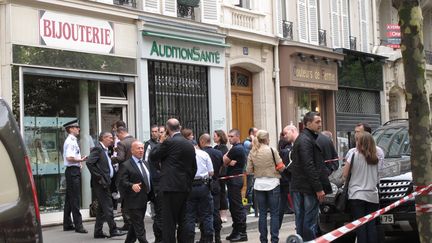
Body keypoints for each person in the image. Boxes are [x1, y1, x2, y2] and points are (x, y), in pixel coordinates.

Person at [149, 118, 197, 243]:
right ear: (179, 128)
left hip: (170, 187)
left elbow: (153, 155)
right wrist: (187, 181)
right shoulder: (189, 144)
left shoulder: (168, 142)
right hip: (184, 187)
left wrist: (160, 141)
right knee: (183, 219)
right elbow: (193, 168)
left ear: (167, 129)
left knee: (169, 222)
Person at [289, 112, 332, 241]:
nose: (320, 124)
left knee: (303, 218)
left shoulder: (306, 138)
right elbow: (309, 166)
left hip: (302, 186)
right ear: (308, 124)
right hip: (307, 188)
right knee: (308, 219)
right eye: (317, 122)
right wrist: (318, 188)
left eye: (320, 121)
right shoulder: (305, 140)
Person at [246, 130, 285, 243]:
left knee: (262, 213)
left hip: (259, 185)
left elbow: (248, 170)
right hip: (273, 183)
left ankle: (263, 239)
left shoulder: (253, 152)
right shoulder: (272, 150)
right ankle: (274, 239)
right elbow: (281, 166)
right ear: (267, 139)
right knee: (274, 213)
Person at [86, 132, 126, 238]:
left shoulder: (106, 150)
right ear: (103, 138)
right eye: (109, 138)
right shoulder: (98, 149)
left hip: (106, 182)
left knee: (102, 209)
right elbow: (89, 162)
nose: (112, 140)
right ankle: (113, 230)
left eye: (112, 138)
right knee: (108, 207)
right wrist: (99, 177)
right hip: (101, 184)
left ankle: (98, 232)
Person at [343, 132, 380, 243]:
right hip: (372, 196)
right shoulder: (376, 158)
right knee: (371, 225)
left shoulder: (353, 155)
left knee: (360, 226)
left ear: (359, 143)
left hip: (357, 195)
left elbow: (345, 174)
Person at [118, 141, 152, 243]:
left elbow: (149, 181)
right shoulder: (126, 165)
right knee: (140, 228)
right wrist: (131, 185)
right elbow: (121, 182)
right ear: (132, 151)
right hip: (133, 201)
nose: (141, 150)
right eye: (138, 148)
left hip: (144, 200)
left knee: (135, 226)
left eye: (142, 148)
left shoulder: (146, 163)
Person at [184, 137, 214, 243]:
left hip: (189, 187)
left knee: (189, 216)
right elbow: (211, 172)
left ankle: (189, 239)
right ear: (196, 145)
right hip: (203, 185)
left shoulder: (183, 156)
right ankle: (208, 239)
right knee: (207, 215)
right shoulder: (204, 154)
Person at [62, 119, 88, 234]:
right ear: (71, 129)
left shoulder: (72, 140)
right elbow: (69, 157)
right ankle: (79, 225)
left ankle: (67, 223)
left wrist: (79, 163)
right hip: (72, 171)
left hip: (73, 170)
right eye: (76, 127)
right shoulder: (71, 141)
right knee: (75, 198)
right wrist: (80, 160)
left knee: (69, 198)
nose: (78, 129)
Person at [223, 129, 248, 242]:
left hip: (235, 180)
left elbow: (223, 160)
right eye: (228, 136)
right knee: (234, 207)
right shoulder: (236, 148)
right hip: (235, 179)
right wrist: (228, 160)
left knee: (237, 207)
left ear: (238, 136)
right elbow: (227, 161)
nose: (229, 138)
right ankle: (236, 230)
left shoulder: (237, 148)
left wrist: (227, 159)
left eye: (232, 136)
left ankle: (242, 232)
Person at [200, 133, 224, 243]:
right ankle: (218, 237)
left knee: (204, 212)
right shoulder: (218, 153)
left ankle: (205, 237)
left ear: (202, 142)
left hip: (205, 185)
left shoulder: (201, 154)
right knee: (215, 211)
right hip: (215, 183)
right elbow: (221, 167)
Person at [111, 126, 136, 231]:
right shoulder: (135, 140)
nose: (117, 138)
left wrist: (110, 159)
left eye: (117, 135)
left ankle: (128, 223)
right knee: (133, 198)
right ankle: (134, 221)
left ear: (121, 133)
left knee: (124, 199)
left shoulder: (122, 143)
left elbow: (120, 158)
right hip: (135, 173)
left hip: (124, 174)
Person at [278, 125, 299, 227]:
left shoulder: (296, 146)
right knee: (297, 208)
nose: (285, 136)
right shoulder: (290, 148)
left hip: (289, 180)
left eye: (286, 133)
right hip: (291, 181)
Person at [147, 125, 164, 243]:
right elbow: (146, 162)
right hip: (155, 180)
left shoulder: (163, 145)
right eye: (152, 131)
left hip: (163, 180)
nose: (154, 133)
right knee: (157, 210)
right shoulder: (149, 145)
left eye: (156, 131)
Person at [213, 130, 229, 223]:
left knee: (222, 193)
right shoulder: (215, 147)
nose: (213, 137)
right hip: (217, 174)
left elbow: (222, 160)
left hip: (222, 174)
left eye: (215, 136)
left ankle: (223, 214)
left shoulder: (223, 148)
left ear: (219, 137)